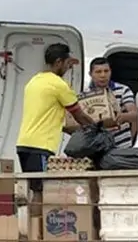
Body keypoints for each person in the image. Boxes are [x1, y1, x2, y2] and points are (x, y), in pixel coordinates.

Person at [15, 43, 94, 190]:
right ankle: (38, 214)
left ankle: (31, 213)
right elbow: (79, 115)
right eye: (67, 63)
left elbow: (47, 117)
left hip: (23, 144)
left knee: (33, 188)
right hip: (41, 146)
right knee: (41, 191)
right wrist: (96, 129)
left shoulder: (34, 81)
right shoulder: (59, 85)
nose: (69, 67)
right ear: (58, 62)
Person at [65, 57, 138, 148]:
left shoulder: (123, 90)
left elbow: (135, 114)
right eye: (98, 72)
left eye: (106, 71)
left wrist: (123, 117)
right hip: (95, 148)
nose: (103, 75)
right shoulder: (83, 96)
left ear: (110, 72)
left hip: (120, 148)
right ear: (90, 74)